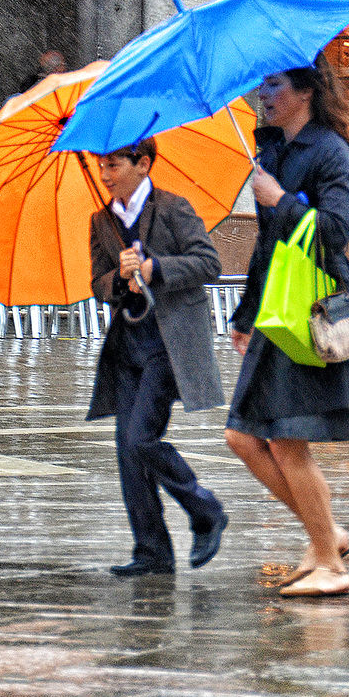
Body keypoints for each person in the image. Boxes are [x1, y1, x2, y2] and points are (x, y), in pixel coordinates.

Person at [225, 57, 349, 598]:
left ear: (306, 91)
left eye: (275, 85)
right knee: (243, 436)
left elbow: (336, 232)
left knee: (287, 441)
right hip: (275, 310)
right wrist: (245, 315)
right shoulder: (272, 150)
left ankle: (330, 563)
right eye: (261, 84)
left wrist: (280, 201)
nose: (265, 95)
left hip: (310, 311)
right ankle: (325, 534)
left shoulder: (329, 151)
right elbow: (270, 249)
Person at [87, 137, 228, 577]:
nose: (105, 176)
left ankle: (205, 509)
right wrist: (120, 278)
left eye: (113, 165)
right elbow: (97, 282)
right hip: (127, 345)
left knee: (141, 439)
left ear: (143, 164)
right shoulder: (101, 221)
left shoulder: (173, 208)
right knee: (127, 454)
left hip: (169, 344)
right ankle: (152, 550)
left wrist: (155, 269)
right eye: (101, 166)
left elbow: (208, 263)